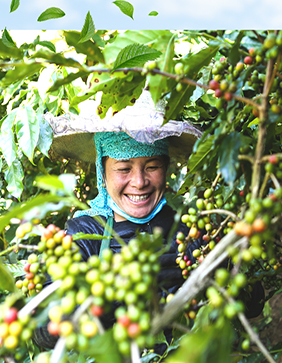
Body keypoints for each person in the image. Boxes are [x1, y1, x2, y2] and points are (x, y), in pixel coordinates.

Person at [35, 91, 262, 349]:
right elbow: (44, 332)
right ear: (103, 171)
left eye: (152, 167)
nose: (140, 182)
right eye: (123, 168)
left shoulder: (193, 226)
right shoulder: (83, 234)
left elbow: (253, 305)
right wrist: (110, 298)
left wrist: (220, 270)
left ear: (166, 169)